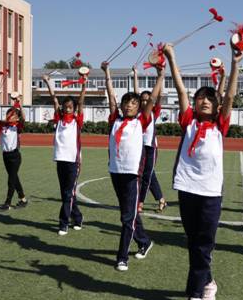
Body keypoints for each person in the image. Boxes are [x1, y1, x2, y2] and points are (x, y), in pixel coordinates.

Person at [162, 42, 243, 300]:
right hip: (186, 187)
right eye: (200, 98)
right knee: (194, 241)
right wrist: (172, 57)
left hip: (210, 192)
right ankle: (208, 281)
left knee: (203, 243)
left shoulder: (220, 124)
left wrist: (235, 64)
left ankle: (193, 296)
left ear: (216, 105)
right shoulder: (189, 121)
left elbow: (230, 96)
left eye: (209, 98)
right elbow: (181, 87)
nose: (204, 100)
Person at [102, 61, 164, 272]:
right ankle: (144, 241)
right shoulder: (114, 120)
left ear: (139, 107)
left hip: (132, 174)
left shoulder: (142, 121)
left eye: (133, 103)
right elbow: (110, 96)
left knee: (127, 217)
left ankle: (122, 257)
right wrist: (107, 72)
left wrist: (160, 75)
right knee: (127, 214)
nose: (129, 105)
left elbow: (153, 98)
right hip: (115, 172)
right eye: (126, 102)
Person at [43, 74, 87, 236]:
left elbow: (81, 101)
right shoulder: (59, 119)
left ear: (74, 108)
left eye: (70, 106)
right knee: (66, 194)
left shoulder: (77, 120)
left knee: (68, 193)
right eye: (65, 106)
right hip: (60, 160)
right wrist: (48, 82)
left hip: (74, 161)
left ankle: (63, 223)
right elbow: (54, 99)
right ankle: (78, 217)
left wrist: (83, 86)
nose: (67, 108)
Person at [132, 66, 167, 213]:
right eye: (143, 100)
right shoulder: (138, 113)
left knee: (147, 174)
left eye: (148, 100)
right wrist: (135, 75)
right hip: (139, 148)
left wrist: (161, 76)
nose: (145, 103)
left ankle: (140, 202)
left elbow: (158, 95)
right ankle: (161, 199)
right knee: (148, 174)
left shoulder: (154, 112)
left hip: (151, 147)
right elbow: (135, 93)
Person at [0, 94, 28, 211]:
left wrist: (19, 104)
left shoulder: (17, 127)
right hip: (5, 156)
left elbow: (24, 117)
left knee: (11, 180)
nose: (9, 116)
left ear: (16, 117)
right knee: (14, 178)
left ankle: (7, 203)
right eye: (8, 114)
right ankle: (23, 199)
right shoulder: (2, 125)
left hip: (15, 156)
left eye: (12, 115)